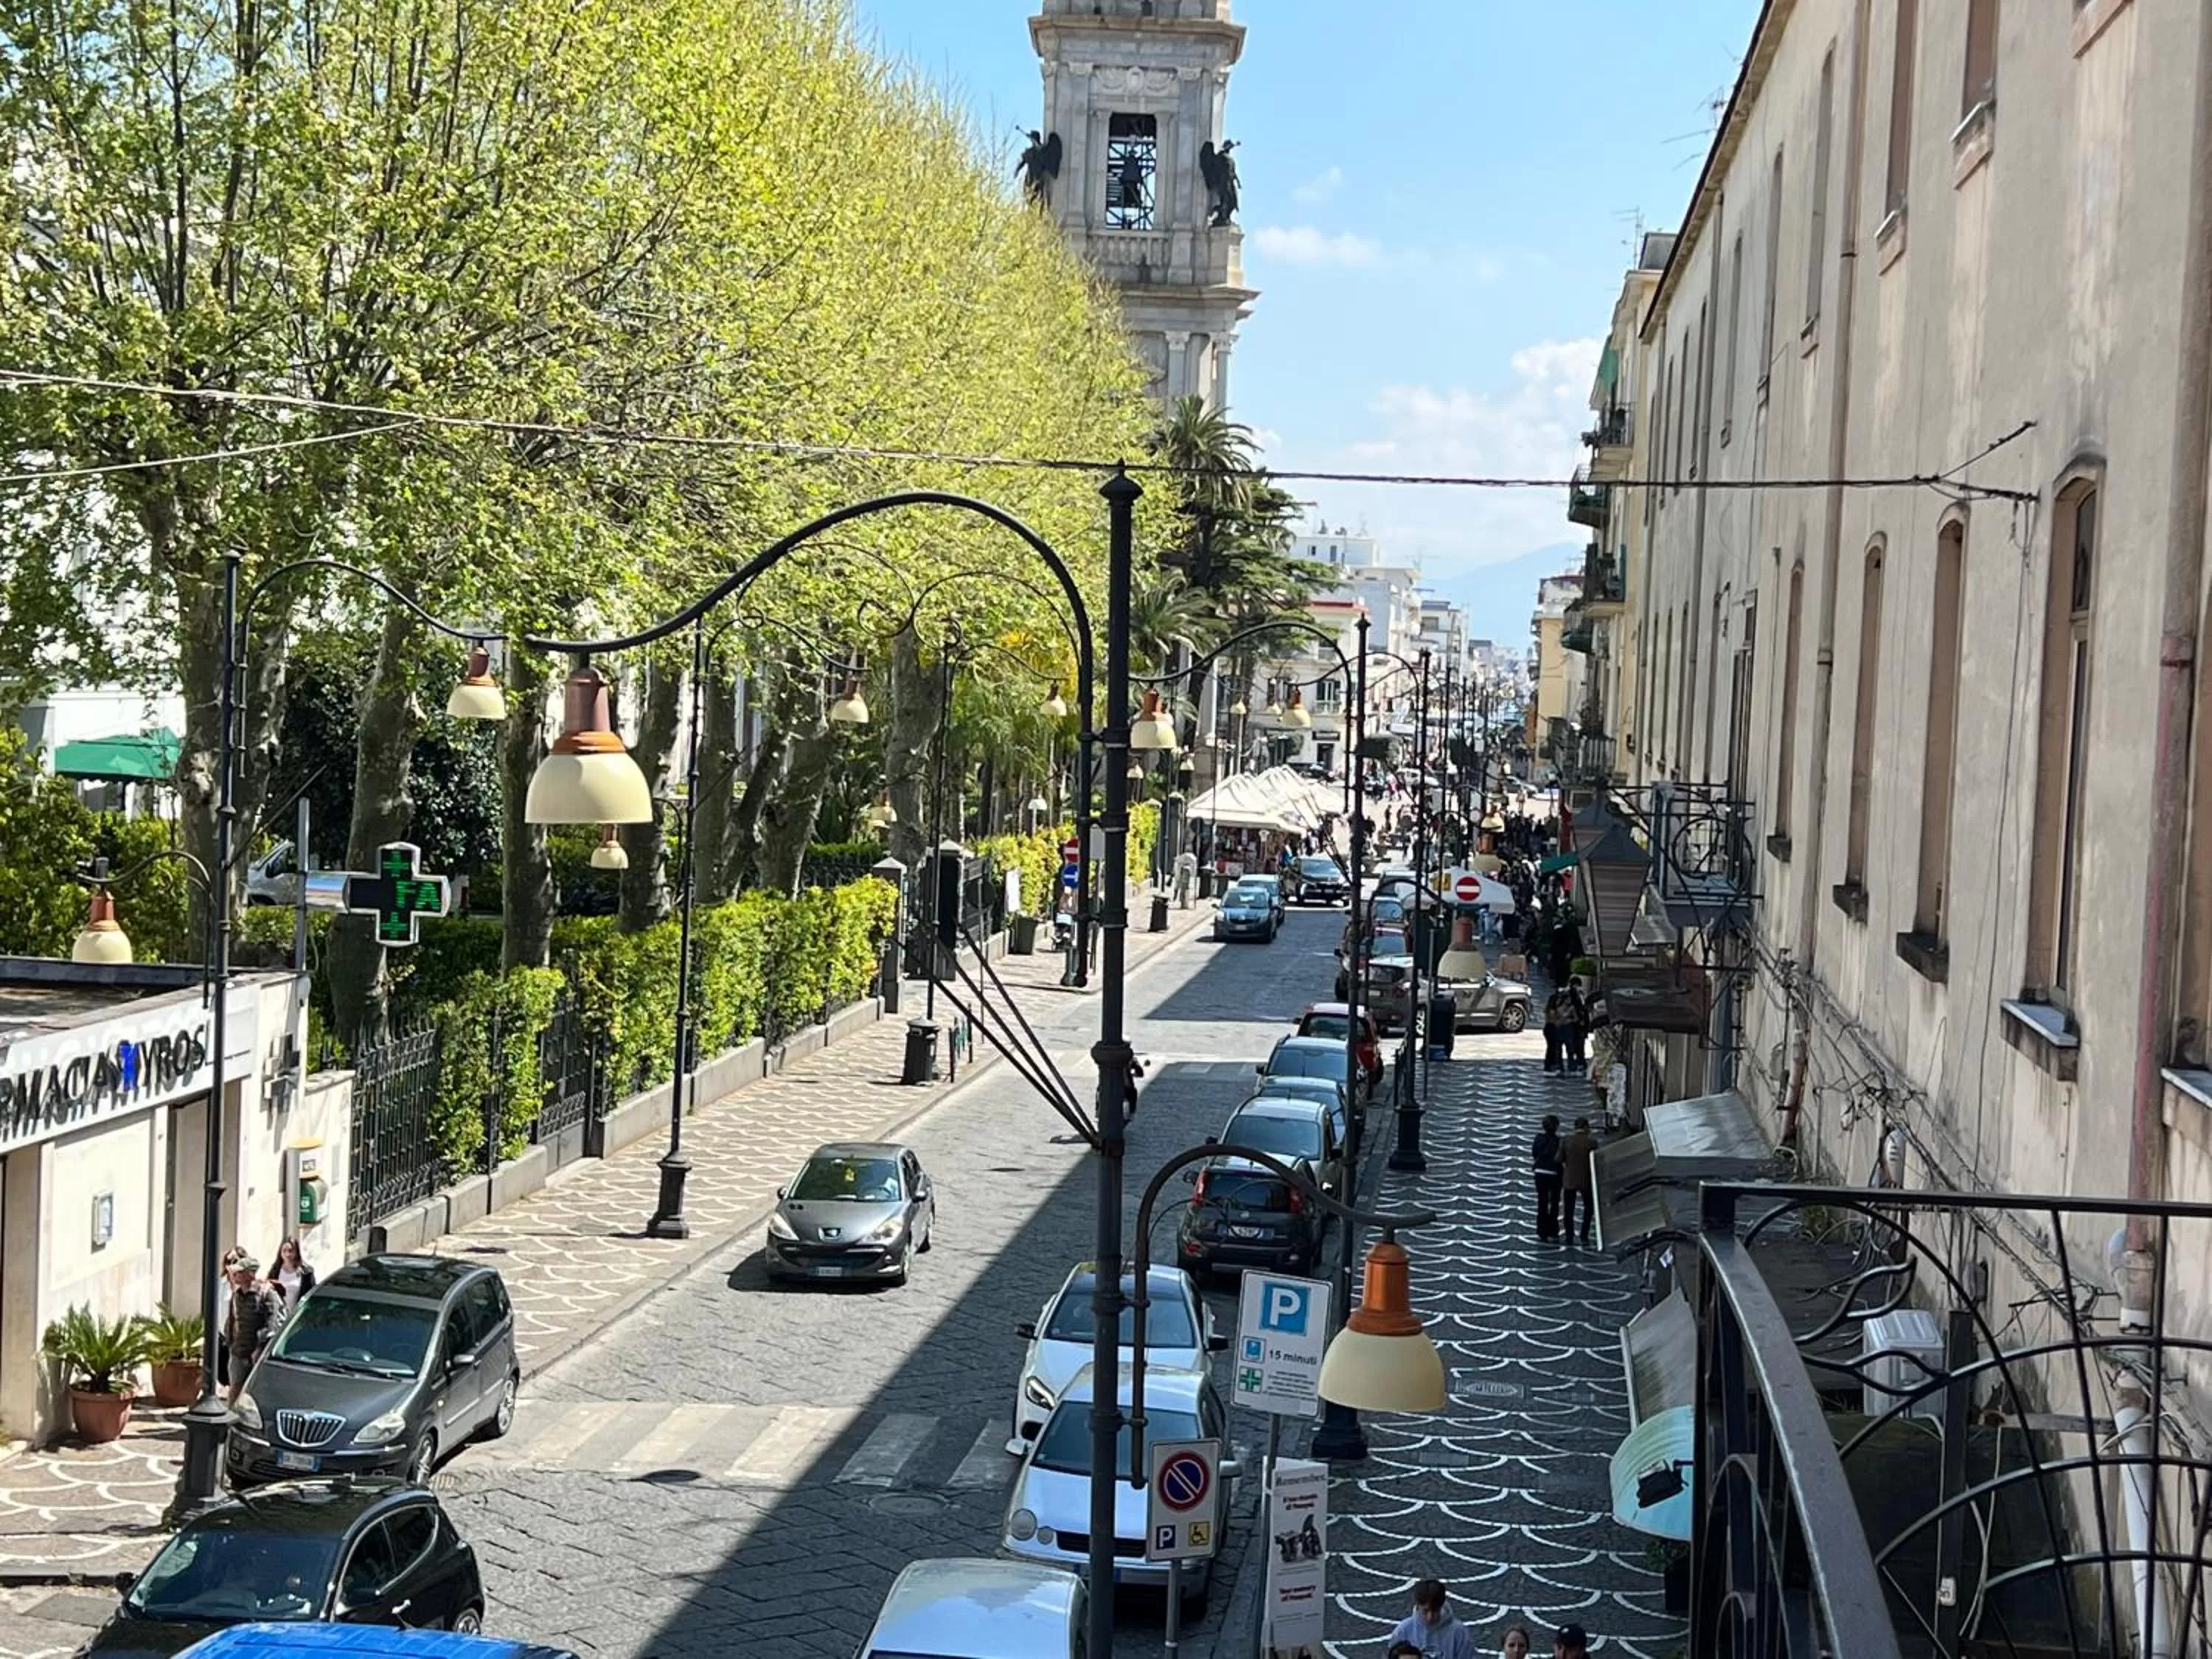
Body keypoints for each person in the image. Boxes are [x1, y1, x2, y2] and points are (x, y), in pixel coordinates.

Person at [223, 1254, 286, 1403]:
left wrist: (260, 1349)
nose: (234, 1276)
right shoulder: (237, 1295)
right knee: (235, 1390)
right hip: (238, 1351)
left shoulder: (267, 1294)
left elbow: (272, 1324)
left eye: (238, 1272)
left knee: (255, 1394)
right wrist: (230, 1342)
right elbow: (232, 1320)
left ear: (249, 1274)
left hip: (257, 1353)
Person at [1388, 1579, 1477, 1659]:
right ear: (1418, 1605)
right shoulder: (1403, 1631)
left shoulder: (1459, 1632)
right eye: (1425, 1611)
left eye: (1435, 1611)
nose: (1430, 1617)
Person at [1559, 1116, 1596, 1245]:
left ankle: (1569, 1236)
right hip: (1586, 1179)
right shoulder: (1591, 1142)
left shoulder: (1566, 1140)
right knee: (1589, 1207)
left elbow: (1559, 1158)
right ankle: (1584, 1235)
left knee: (1569, 1209)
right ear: (1586, 1127)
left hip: (1569, 1179)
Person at [1531, 1114, 1563, 1242]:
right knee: (1554, 1203)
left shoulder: (1538, 1139)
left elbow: (1534, 1153)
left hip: (1540, 1172)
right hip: (1554, 1173)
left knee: (1542, 1202)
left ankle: (1541, 1230)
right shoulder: (1559, 1141)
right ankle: (1553, 1231)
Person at [269, 1234, 317, 1315]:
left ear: (296, 1252)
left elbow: (311, 1295)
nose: (288, 1254)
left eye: (291, 1251)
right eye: (284, 1251)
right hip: (278, 1316)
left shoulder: (306, 1273)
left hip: (297, 1317)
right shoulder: (275, 1270)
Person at [1542, 984, 1574, 1074]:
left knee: (1553, 1048)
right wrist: (1566, 1016)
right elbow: (1555, 1019)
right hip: (1552, 1028)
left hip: (1549, 1028)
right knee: (1553, 1048)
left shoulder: (1550, 1008)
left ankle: (1551, 1066)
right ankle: (1551, 1067)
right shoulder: (1553, 1009)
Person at [1563, 976, 1590, 1077]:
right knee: (1577, 1047)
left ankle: (1576, 1065)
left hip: (1575, 1026)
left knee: (1575, 1048)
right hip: (1576, 1026)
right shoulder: (1573, 995)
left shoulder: (1575, 995)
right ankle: (1577, 1065)